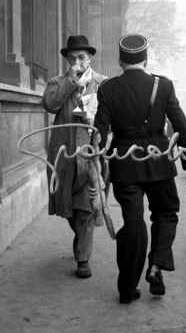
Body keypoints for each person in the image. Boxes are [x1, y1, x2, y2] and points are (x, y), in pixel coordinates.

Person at [94, 34, 186, 303]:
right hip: (159, 161)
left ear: (120, 61)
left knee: (133, 223)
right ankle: (156, 265)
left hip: (124, 164)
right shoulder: (163, 85)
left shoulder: (107, 89)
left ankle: (127, 289)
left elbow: (99, 132)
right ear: (146, 58)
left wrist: (99, 164)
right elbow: (180, 124)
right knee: (165, 213)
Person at [41, 35, 107, 278]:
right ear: (67, 61)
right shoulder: (56, 82)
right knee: (67, 206)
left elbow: (112, 117)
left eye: (81, 57)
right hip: (62, 155)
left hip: (90, 155)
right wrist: (70, 80)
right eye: (72, 58)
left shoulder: (103, 83)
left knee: (88, 207)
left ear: (90, 58)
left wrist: (95, 122)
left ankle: (83, 259)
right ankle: (80, 236)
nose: (77, 61)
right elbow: (49, 104)